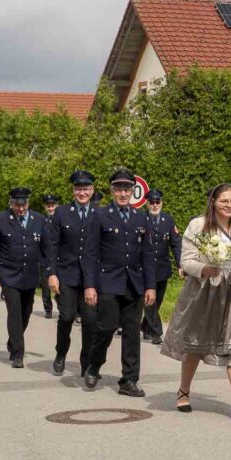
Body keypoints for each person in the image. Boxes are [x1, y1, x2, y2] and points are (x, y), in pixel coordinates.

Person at [161, 183, 231, 421]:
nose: (229, 206)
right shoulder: (198, 224)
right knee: (196, 342)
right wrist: (206, 268)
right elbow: (186, 261)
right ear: (213, 201)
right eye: (224, 201)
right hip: (205, 289)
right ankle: (184, 391)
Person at [81, 168, 156, 397]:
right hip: (108, 282)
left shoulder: (141, 217)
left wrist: (150, 285)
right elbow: (90, 253)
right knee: (107, 326)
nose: (123, 193)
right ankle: (94, 364)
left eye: (127, 189)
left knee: (132, 331)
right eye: (118, 188)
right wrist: (90, 285)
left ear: (133, 191)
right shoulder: (99, 216)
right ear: (112, 190)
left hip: (134, 282)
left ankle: (129, 380)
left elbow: (147, 254)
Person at [0, 187, 51, 369]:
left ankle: (13, 341)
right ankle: (18, 353)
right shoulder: (0, 220)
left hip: (29, 275)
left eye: (24, 205)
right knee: (14, 311)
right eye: (16, 205)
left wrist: (51, 272)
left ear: (28, 203)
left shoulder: (39, 220)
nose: (20, 209)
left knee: (26, 311)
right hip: (8, 274)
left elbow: (47, 248)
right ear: (11, 203)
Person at [46, 171, 98, 376]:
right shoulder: (62, 213)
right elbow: (52, 245)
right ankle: (61, 354)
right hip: (66, 273)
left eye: (86, 189)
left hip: (90, 278)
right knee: (66, 316)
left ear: (92, 191)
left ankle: (86, 362)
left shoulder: (99, 214)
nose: (82, 193)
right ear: (73, 191)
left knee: (90, 320)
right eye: (78, 189)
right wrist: (51, 273)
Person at [141, 189, 181, 346]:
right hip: (145, 268)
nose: (155, 205)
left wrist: (180, 264)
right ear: (147, 204)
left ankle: (144, 326)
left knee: (158, 300)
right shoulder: (141, 219)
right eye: (152, 202)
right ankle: (156, 333)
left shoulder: (168, 220)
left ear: (162, 203)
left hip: (162, 267)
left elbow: (175, 243)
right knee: (150, 299)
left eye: (158, 202)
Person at [40, 193, 60, 319]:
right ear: (45, 207)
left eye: (53, 205)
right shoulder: (42, 221)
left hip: (59, 259)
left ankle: (63, 306)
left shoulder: (62, 220)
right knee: (45, 287)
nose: (51, 208)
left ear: (57, 205)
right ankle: (48, 309)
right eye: (48, 206)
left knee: (62, 286)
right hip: (45, 258)